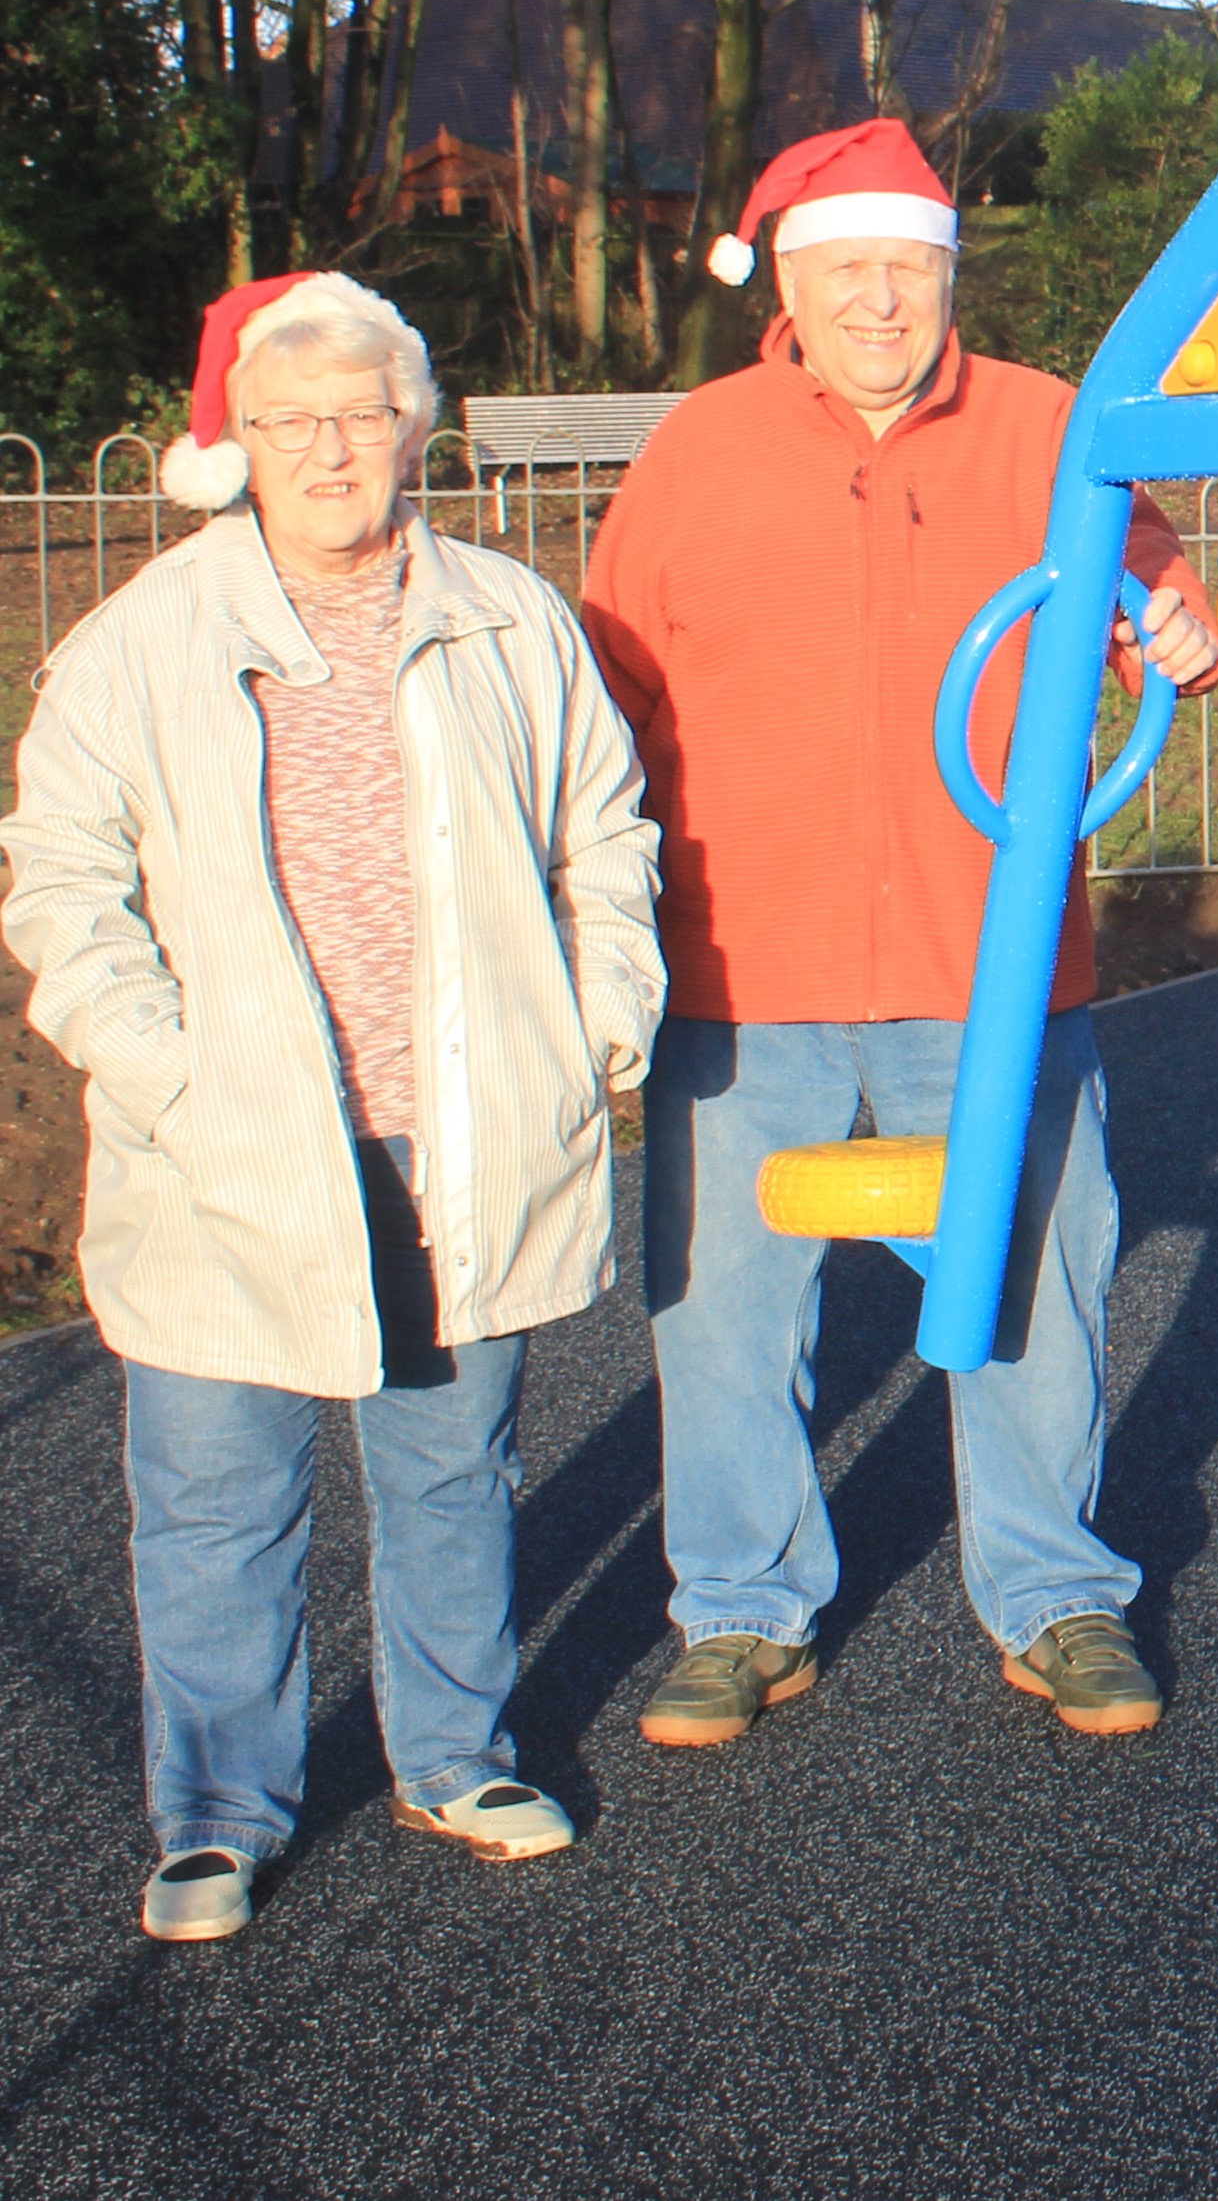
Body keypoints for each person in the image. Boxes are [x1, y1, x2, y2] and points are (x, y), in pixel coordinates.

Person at [5, 274, 664, 1943]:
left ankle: (455, 1755)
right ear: (237, 441)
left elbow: (607, 831)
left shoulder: (514, 619)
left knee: (453, 1474)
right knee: (220, 1499)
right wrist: (163, 1069)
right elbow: (64, 888)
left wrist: (602, 1017)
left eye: (364, 414)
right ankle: (216, 1816)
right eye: (291, 420)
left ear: (414, 431)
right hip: (226, 1149)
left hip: (461, 1129)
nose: (330, 448)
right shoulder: (138, 642)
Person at [578, 119, 1218, 1752]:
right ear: (789, 285)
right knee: (724, 1309)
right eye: (849, 268)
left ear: (949, 274)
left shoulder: (1047, 428)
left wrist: (1180, 611)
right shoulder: (697, 455)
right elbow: (605, 702)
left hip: (986, 955)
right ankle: (739, 1611)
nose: (882, 299)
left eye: (910, 268)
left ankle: (1057, 1591)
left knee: (1032, 1280)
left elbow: (1152, 588)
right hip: (743, 956)